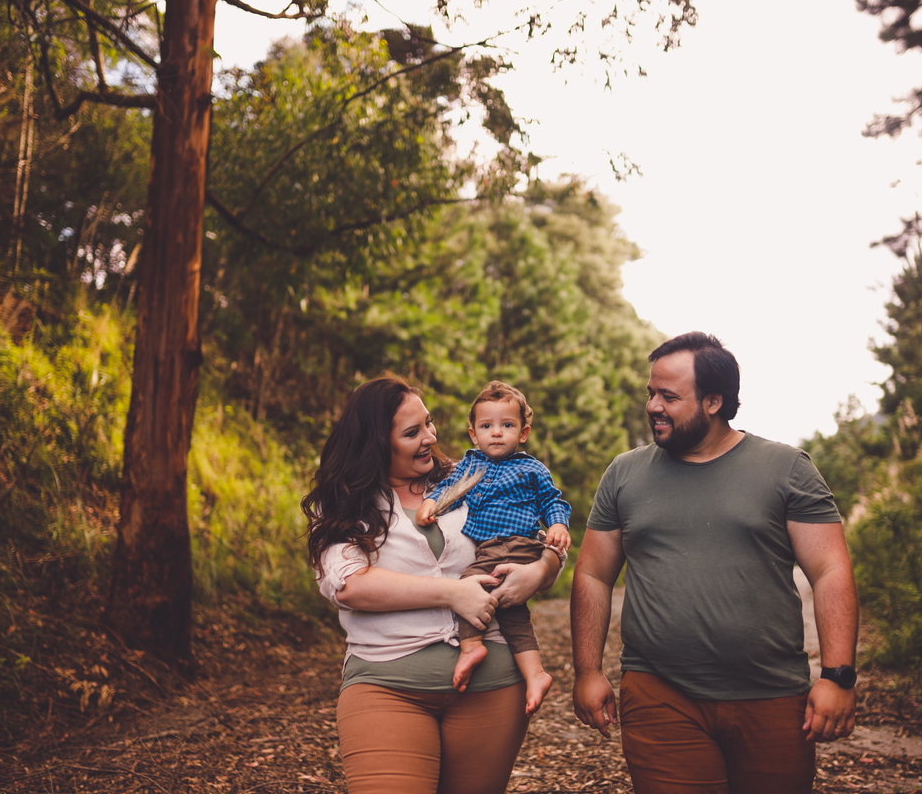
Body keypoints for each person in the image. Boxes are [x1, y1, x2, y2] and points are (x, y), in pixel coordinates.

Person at [570, 332, 859, 794]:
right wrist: (587, 671)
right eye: (650, 393)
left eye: (669, 396)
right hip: (659, 691)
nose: (653, 406)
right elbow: (592, 573)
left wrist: (838, 675)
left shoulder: (786, 469)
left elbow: (830, 570)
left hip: (771, 693)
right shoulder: (624, 474)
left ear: (713, 401)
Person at [303, 376, 562, 794]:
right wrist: (452, 592)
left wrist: (543, 569)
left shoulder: (473, 475)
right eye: (411, 433)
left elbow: (535, 537)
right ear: (376, 444)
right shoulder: (343, 502)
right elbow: (348, 584)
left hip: (492, 688)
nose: (429, 437)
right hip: (388, 687)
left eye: (429, 423)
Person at [416, 380, 572, 714]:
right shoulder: (470, 465)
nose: (497, 433)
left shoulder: (530, 468)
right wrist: (430, 503)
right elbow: (447, 487)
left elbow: (552, 501)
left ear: (524, 432)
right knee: (512, 612)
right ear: (474, 434)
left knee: (468, 586)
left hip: (518, 545)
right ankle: (536, 673)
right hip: (489, 549)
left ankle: (471, 647)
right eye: (487, 426)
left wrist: (557, 524)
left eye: (507, 425)